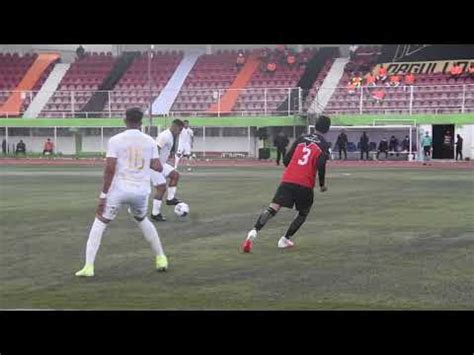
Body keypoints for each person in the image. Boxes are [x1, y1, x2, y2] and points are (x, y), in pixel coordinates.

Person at [75, 108, 168, 277]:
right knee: (141, 219)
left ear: (125, 121)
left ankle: (88, 266)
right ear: (141, 122)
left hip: (119, 190)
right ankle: (161, 257)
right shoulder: (149, 141)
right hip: (140, 191)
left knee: (100, 222)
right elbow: (158, 166)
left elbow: (110, 169)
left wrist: (103, 195)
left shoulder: (116, 140)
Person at [241, 116, 331, 252]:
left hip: (288, 179)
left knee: (273, 208)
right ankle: (285, 239)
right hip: (305, 183)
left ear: (315, 126)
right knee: (303, 212)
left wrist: (293, 169)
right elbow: (321, 164)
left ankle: (254, 230)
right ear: (327, 129)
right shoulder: (324, 144)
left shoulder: (301, 138)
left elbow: (287, 159)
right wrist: (322, 184)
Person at [150, 119, 185, 222]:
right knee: (161, 188)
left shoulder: (171, 136)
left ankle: (170, 199)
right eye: (180, 129)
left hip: (161, 164)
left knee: (175, 175)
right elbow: (156, 148)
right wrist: (155, 163)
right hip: (154, 165)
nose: (180, 132)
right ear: (174, 126)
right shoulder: (164, 136)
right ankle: (155, 213)